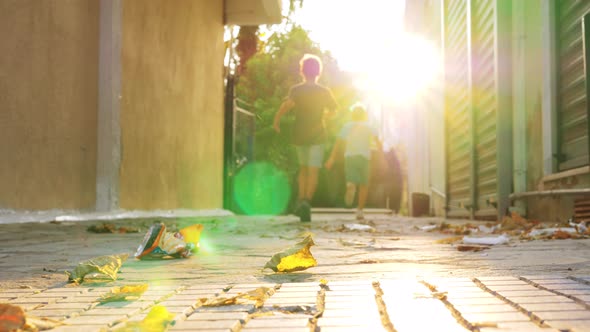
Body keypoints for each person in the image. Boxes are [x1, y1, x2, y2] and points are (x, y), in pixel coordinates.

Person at [273, 54, 337, 222]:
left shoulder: (297, 90)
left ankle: (301, 201)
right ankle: (306, 202)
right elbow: (334, 110)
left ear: (302, 71)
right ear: (318, 72)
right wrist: (325, 117)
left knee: (303, 168)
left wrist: (276, 120)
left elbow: (287, 105)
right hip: (318, 135)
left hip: (300, 134)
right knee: (313, 170)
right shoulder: (324, 91)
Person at [325, 103, 382, 220]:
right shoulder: (369, 126)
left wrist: (332, 158)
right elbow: (378, 142)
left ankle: (350, 184)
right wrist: (382, 157)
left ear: (353, 115)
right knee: (364, 184)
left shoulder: (347, 126)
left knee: (351, 178)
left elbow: (338, 142)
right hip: (365, 157)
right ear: (364, 115)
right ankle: (360, 210)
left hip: (350, 156)